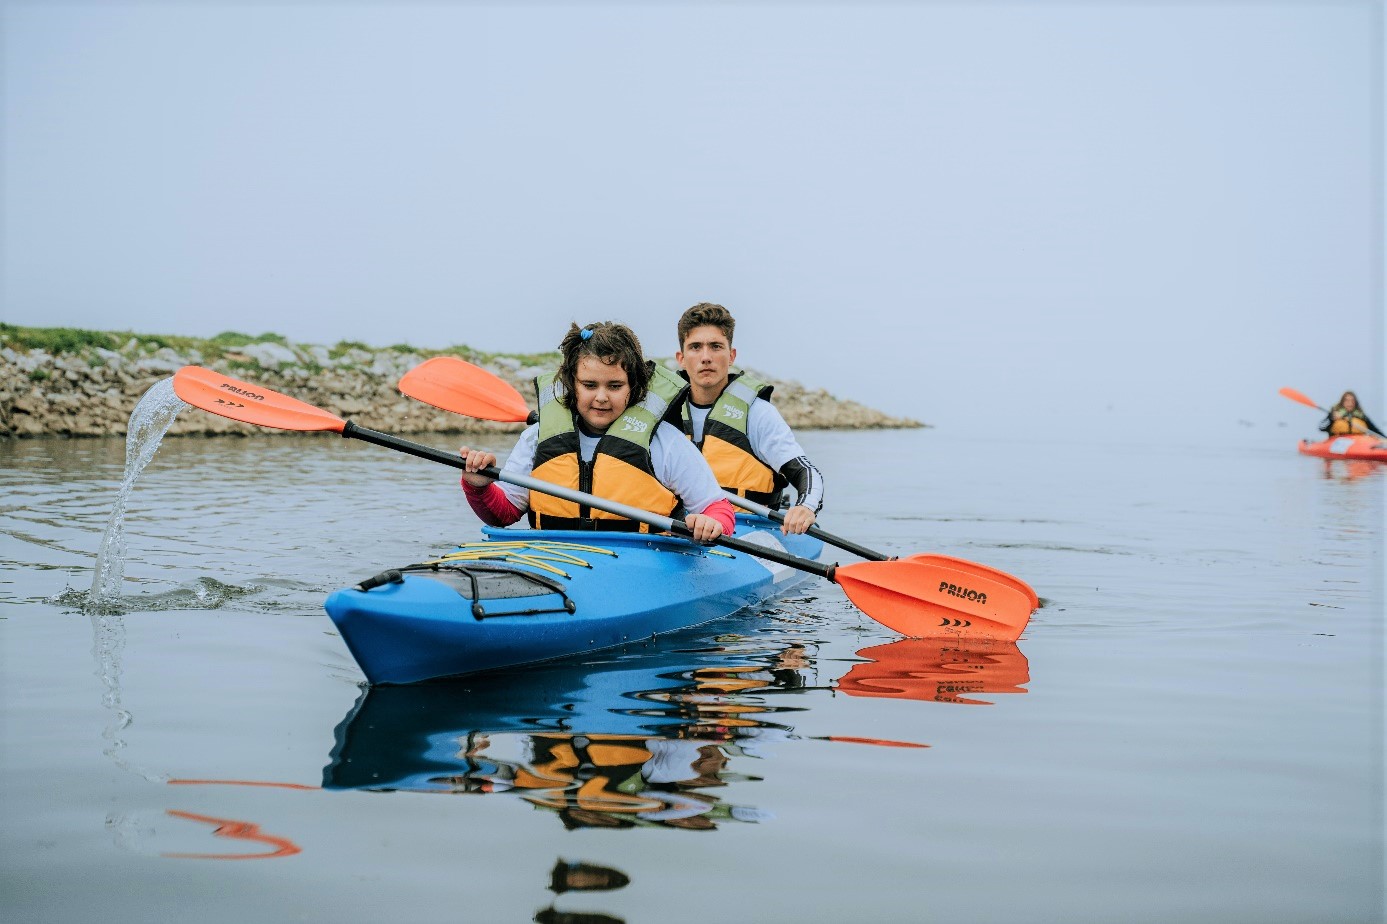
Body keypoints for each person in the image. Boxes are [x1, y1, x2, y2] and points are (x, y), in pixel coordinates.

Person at [458, 321, 735, 542]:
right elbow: (502, 514)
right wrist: (478, 486)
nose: (601, 397)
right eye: (590, 385)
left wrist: (711, 523)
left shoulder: (664, 442)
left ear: (633, 387)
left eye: (615, 386)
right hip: (556, 558)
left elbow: (718, 508)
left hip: (641, 565)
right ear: (572, 384)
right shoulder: (537, 438)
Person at [668, 302, 824, 535]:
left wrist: (805, 507)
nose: (706, 357)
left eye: (716, 347)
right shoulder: (663, 415)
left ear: (731, 356)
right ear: (681, 358)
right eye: (695, 347)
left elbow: (805, 472)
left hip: (746, 529)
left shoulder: (758, 413)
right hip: (680, 528)